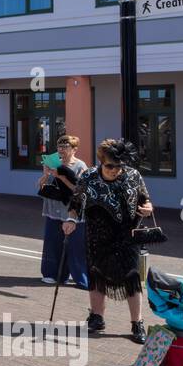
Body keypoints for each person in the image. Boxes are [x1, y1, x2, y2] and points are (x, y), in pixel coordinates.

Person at [62, 138, 154, 342]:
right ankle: (97, 317)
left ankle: (136, 323)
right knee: (96, 275)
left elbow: (145, 200)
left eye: (119, 166)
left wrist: (148, 209)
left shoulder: (133, 176)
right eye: (110, 166)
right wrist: (70, 219)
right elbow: (76, 202)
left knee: (131, 278)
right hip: (96, 234)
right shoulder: (89, 177)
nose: (115, 170)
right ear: (101, 162)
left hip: (126, 235)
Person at [37, 135, 88, 289]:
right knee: (52, 243)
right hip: (53, 209)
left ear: (74, 149)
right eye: (59, 146)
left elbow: (80, 191)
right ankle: (51, 274)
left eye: (65, 147)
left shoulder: (80, 166)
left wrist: (61, 177)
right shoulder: (51, 163)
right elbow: (41, 187)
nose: (61, 150)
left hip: (71, 212)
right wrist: (46, 175)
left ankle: (80, 277)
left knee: (75, 246)